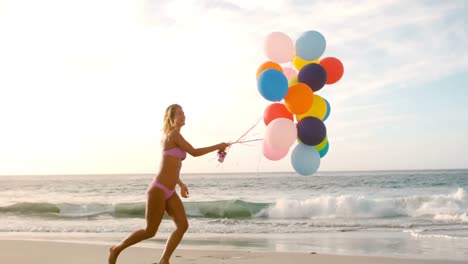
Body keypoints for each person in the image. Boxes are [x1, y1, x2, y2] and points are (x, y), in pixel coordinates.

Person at [108, 104, 230, 264]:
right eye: (179, 114)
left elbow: (170, 165)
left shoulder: (174, 136)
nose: (183, 116)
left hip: (170, 190)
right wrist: (218, 146)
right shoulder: (173, 135)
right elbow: (194, 152)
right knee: (150, 231)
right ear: (171, 119)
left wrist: (180, 183)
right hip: (158, 189)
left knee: (182, 225)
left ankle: (164, 260)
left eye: (183, 113)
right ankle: (116, 249)